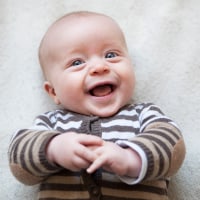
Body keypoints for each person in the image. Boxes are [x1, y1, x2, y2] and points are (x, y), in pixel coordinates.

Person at [8, 11, 186, 200]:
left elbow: (173, 147)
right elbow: (19, 164)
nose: (100, 67)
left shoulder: (143, 114)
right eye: (77, 62)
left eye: (111, 55)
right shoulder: (51, 124)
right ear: (54, 92)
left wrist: (130, 159)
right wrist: (53, 149)